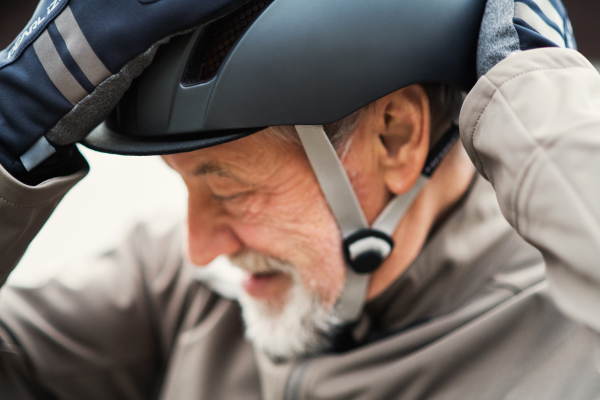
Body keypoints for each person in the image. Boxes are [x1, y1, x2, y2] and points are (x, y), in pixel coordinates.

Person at [1, 0, 599, 398]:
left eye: (230, 189)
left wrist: (538, 99)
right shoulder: (176, 288)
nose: (199, 247)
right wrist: (6, 133)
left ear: (396, 137)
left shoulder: (570, 335)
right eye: (182, 183)